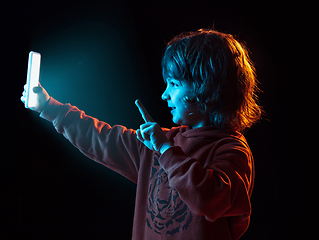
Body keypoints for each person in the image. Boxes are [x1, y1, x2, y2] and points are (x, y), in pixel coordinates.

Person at [21, 29, 262, 240]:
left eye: (175, 84)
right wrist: (49, 106)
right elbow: (101, 138)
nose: (164, 95)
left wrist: (165, 150)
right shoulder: (155, 143)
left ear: (207, 87)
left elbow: (206, 199)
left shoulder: (232, 151)